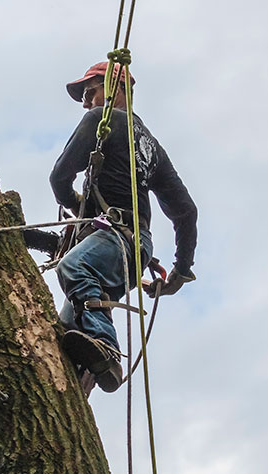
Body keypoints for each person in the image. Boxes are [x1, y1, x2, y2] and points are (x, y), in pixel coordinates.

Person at [47, 60, 198, 393]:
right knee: (64, 330)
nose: (86, 103)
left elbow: (60, 176)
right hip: (136, 247)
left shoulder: (104, 120)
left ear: (114, 90)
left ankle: (105, 345)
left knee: (74, 266)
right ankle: (87, 376)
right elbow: (185, 212)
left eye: (90, 92)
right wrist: (180, 271)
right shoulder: (151, 146)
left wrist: (74, 204)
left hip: (116, 238)